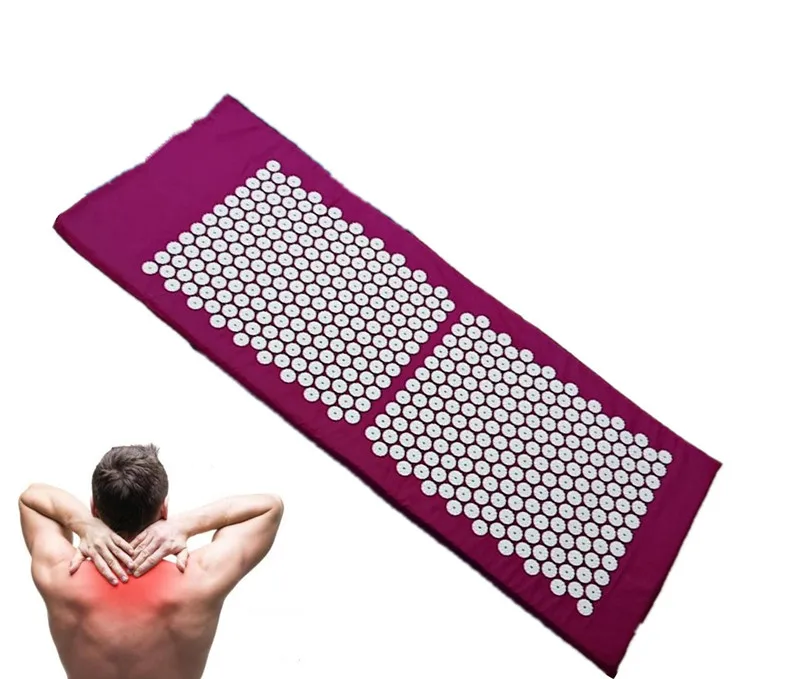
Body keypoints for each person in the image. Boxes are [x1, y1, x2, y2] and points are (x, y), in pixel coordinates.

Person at [18, 443, 284, 679]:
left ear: (94, 507)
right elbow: (269, 508)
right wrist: (183, 525)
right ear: (164, 508)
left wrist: (84, 524)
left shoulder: (61, 572)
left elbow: (32, 497)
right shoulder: (201, 578)